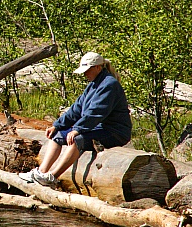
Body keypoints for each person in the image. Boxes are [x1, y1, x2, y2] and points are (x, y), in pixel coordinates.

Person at [19, 51, 132, 186]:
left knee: (77, 139)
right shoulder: (94, 83)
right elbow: (76, 109)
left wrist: (78, 129)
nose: (85, 74)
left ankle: (52, 178)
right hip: (97, 128)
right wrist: (57, 125)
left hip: (114, 132)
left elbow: (96, 112)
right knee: (58, 135)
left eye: (87, 70)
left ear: (98, 67)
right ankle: (41, 173)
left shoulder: (109, 85)